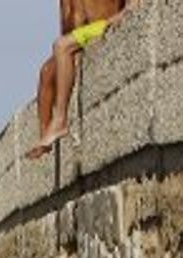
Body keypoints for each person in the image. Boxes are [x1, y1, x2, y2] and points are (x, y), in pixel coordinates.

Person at [28, 0, 136, 159]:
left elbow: (132, 8)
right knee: (46, 73)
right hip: (83, 35)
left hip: (104, 26)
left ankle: (59, 121)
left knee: (61, 46)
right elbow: (68, 23)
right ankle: (45, 136)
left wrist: (112, 22)